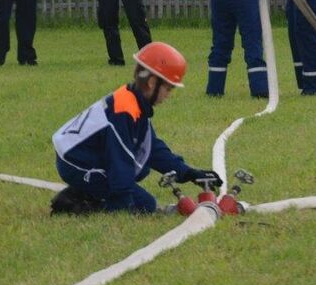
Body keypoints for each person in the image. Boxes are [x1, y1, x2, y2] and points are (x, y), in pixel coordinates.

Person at [51, 42, 222, 214]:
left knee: (142, 193)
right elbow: (120, 160)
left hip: (88, 157)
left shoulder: (135, 103)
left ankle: (86, 192)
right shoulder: (124, 111)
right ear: (152, 82)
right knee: (144, 205)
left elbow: (152, 149)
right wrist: (124, 205)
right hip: (75, 162)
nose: (169, 95)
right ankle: (71, 204)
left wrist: (190, 173)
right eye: (168, 88)